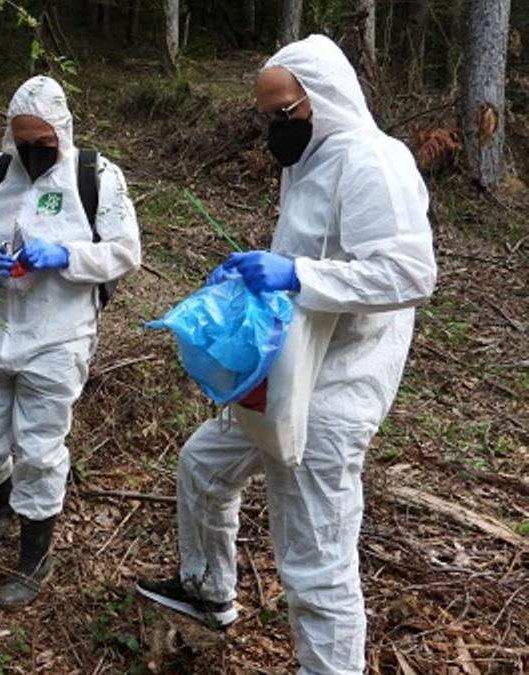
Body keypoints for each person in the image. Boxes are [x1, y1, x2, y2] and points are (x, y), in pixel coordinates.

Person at [135, 35, 437, 674]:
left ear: (321, 99)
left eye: (284, 114)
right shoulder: (308, 161)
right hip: (289, 365)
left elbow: (410, 274)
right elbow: (309, 260)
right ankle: (208, 590)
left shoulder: (373, 162)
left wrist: (296, 274)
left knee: (315, 553)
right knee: (204, 466)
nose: (274, 128)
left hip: (338, 386)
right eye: (266, 117)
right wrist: (254, 283)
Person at [0, 75, 141, 609]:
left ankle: (34, 559)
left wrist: (68, 257)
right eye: (23, 141)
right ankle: (0, 500)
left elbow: (125, 252)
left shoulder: (95, 176)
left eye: (43, 143)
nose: (33, 152)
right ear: (11, 136)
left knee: (39, 449)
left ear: (62, 133)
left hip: (60, 335)